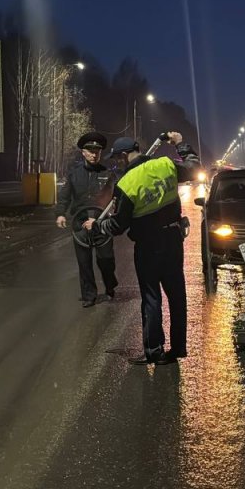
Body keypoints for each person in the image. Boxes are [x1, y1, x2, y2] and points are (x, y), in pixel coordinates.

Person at [85, 131, 200, 365]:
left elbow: (118, 225)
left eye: (118, 158)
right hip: (173, 240)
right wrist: (180, 143)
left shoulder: (126, 184)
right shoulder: (165, 165)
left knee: (151, 298)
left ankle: (154, 351)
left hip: (148, 246)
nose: (117, 163)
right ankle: (178, 348)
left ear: (126, 155)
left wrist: (97, 225)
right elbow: (193, 166)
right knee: (177, 295)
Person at [56, 131, 119, 308]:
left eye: (97, 151)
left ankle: (110, 284)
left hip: (102, 225)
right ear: (83, 152)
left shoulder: (108, 174)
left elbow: (117, 196)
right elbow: (64, 196)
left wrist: (116, 209)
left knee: (106, 260)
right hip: (80, 224)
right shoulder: (74, 174)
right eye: (90, 151)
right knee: (84, 263)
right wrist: (60, 213)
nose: (94, 154)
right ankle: (89, 295)